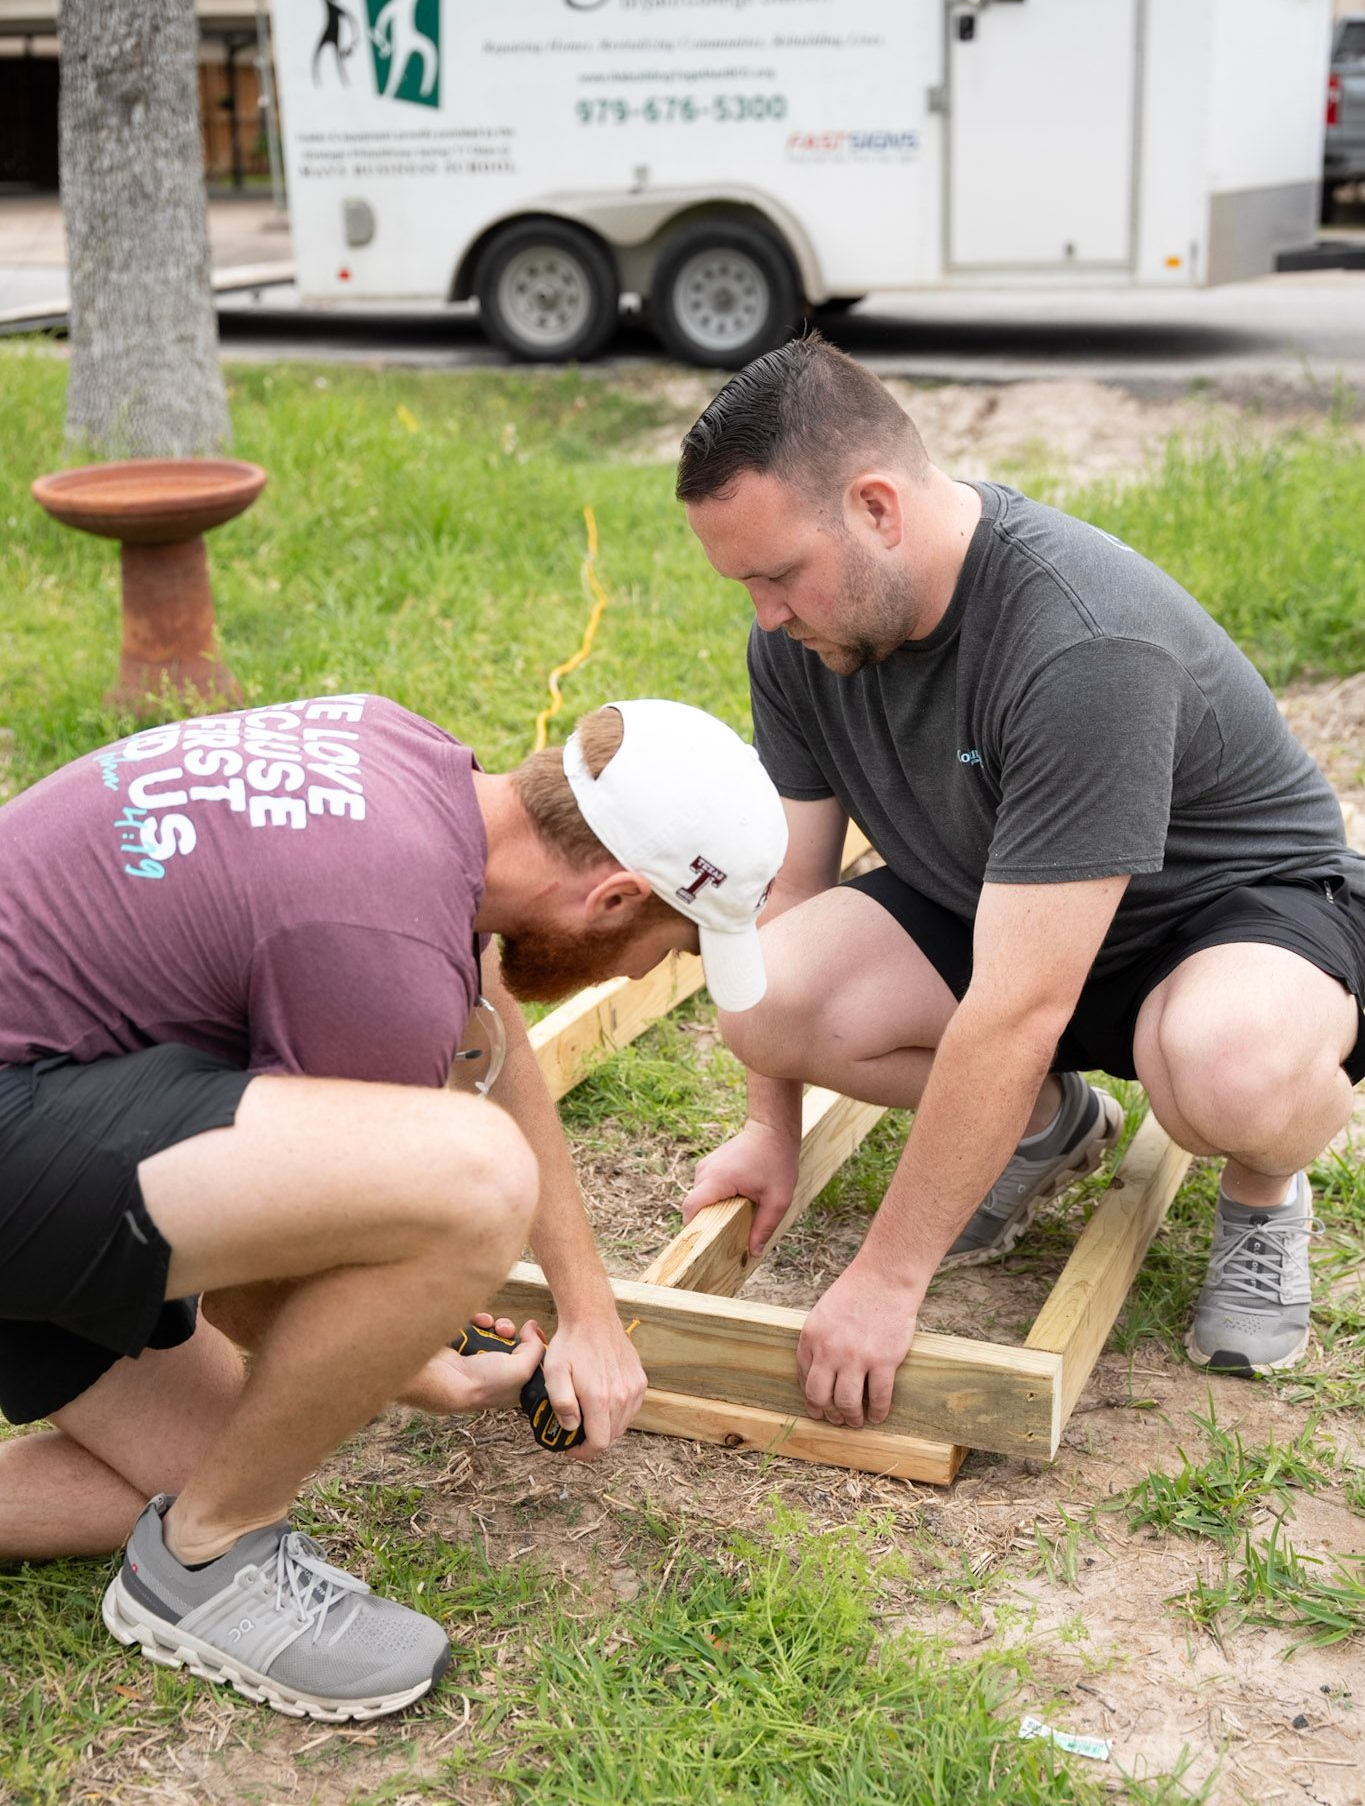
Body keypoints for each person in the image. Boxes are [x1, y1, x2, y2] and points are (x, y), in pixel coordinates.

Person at [0, 691, 787, 1720]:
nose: (649, 967)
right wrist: (414, 1367)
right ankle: (210, 1562)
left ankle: (195, 1517)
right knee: (470, 1179)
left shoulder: (412, 768)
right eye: (674, 944)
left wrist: (589, 1309)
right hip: (27, 1113)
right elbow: (259, 1285)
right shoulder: (378, 949)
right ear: (615, 899)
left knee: (199, 1463)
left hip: (53, 1083)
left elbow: (481, 1010)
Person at [677, 332, 1365, 1436]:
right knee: (765, 998)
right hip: (1003, 904)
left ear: (877, 507)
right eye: (744, 582)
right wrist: (774, 1129)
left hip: (1223, 917)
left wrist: (888, 1279)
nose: (765, 613)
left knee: (1222, 1077)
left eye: (776, 574)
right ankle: (1048, 1125)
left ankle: (1266, 1189)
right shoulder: (803, 643)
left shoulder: (1078, 642)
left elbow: (1018, 1005)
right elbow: (786, 894)